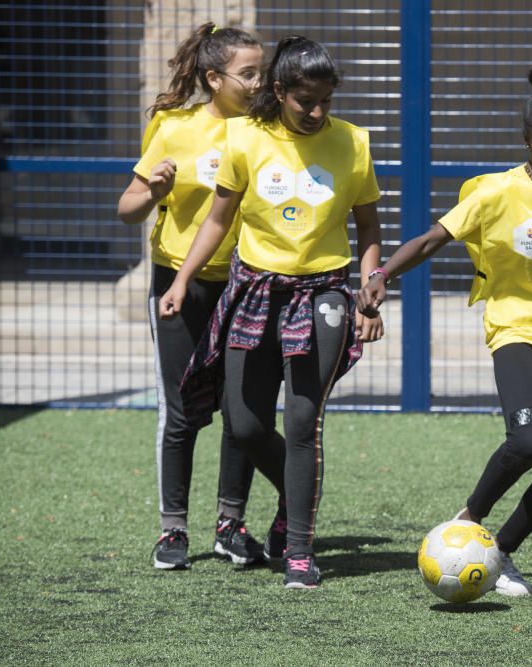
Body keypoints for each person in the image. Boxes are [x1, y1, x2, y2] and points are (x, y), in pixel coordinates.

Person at [358, 66, 532, 597]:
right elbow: (432, 239)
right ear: (527, 139)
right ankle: (467, 520)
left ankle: (499, 553)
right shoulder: (495, 193)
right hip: (515, 325)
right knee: (527, 439)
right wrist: (383, 274)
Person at [158, 36, 384, 589]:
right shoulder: (245, 136)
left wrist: (372, 284)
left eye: (326, 101)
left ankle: (300, 550)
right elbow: (217, 220)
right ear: (279, 91)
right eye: (306, 100)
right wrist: (182, 280)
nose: (317, 112)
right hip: (255, 290)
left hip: (324, 293)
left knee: (303, 422)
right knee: (245, 424)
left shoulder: (353, 143)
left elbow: (369, 226)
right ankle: (293, 490)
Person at [117, 22, 287, 570]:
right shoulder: (172, 126)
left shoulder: (268, 129)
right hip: (176, 284)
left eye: (262, 70)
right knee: (183, 411)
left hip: (247, 285)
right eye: (248, 73)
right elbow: (128, 207)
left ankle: (230, 525)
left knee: (241, 410)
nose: (260, 81)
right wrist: (153, 192)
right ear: (214, 78)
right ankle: (172, 531)